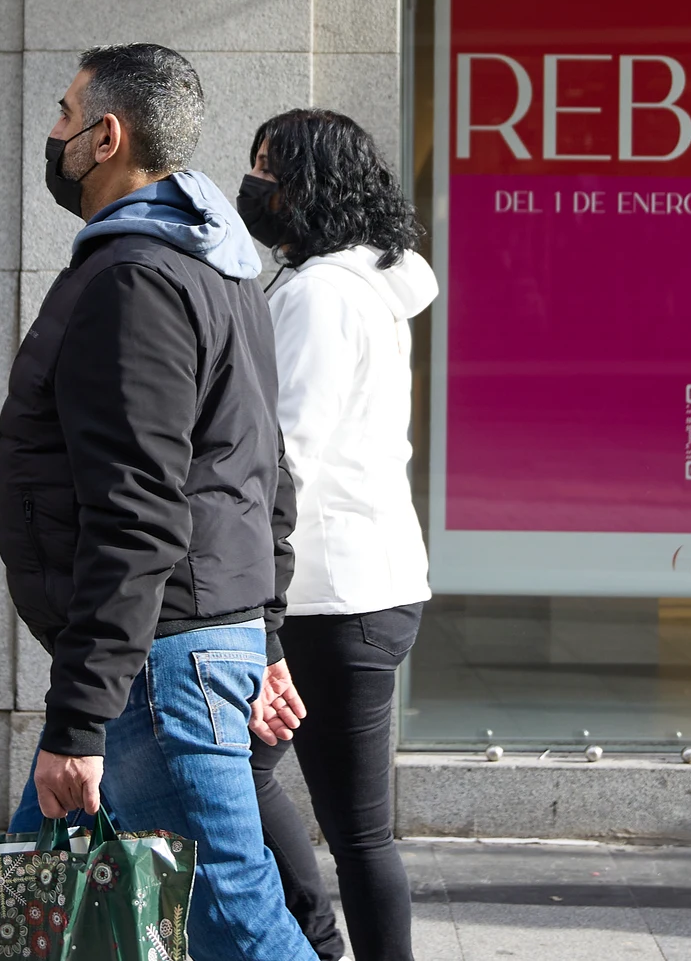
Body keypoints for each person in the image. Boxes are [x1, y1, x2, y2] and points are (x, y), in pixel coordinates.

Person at [0, 44, 318, 961]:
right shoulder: (217, 267)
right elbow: (263, 475)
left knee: (242, 927)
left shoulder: (135, 277)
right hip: (176, 651)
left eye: (63, 115)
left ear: (108, 136)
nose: (51, 134)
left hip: (154, 672)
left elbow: (139, 512)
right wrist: (266, 637)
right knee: (36, 923)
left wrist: (80, 719)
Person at [239, 109, 438, 961]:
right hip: (366, 585)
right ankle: (321, 944)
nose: (254, 187)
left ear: (309, 185)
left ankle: (320, 946)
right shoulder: (359, 285)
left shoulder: (323, 294)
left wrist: (251, 597)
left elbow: (286, 453)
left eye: (266, 171)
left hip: (327, 594)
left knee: (280, 796)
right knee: (348, 825)